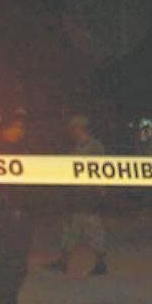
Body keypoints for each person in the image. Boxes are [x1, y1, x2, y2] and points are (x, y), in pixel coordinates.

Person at [0, 107, 38, 304]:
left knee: (19, 266)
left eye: (22, 127)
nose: (20, 131)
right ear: (5, 129)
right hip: (7, 216)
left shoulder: (22, 149)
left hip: (22, 213)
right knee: (9, 265)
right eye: (16, 127)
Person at [45, 114, 108, 276]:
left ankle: (100, 262)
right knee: (71, 228)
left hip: (89, 194)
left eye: (74, 128)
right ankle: (63, 261)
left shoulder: (94, 147)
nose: (72, 132)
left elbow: (100, 169)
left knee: (91, 228)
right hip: (77, 193)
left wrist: (100, 190)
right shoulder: (76, 147)